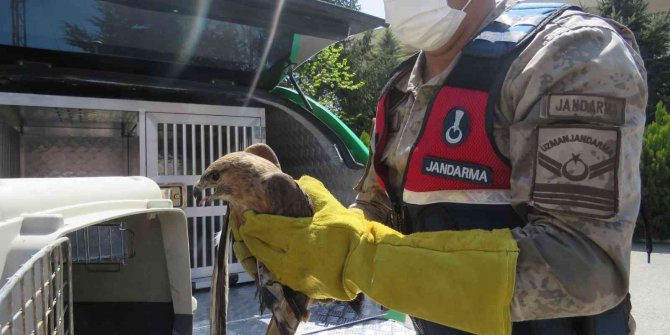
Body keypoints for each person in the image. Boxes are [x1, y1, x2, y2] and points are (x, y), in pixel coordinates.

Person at [235, 0, 647, 334]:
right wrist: (307, 249)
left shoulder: (571, 54)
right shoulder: (400, 92)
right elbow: (375, 220)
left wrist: (362, 262)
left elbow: (584, 265)